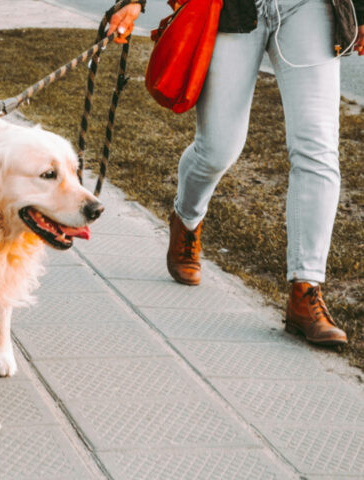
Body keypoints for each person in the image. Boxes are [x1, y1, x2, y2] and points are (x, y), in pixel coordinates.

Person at [108, 0, 364, 346]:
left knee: (318, 150)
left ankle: (306, 289)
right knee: (217, 149)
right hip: (235, 8)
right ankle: (186, 217)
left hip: (310, 8)